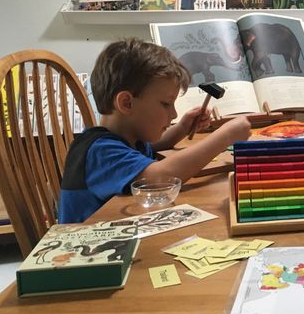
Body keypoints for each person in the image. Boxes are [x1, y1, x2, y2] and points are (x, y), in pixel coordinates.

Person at [58, 38, 251, 223]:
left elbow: (154, 145)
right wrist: (225, 136)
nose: (174, 114)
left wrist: (182, 128)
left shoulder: (128, 138)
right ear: (126, 103)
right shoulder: (100, 152)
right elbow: (160, 178)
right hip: (87, 251)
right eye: (166, 104)